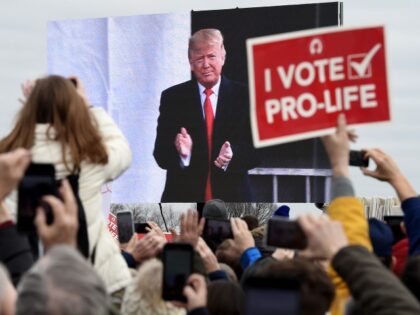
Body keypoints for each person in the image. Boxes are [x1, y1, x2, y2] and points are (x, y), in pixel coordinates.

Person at [0, 75, 132, 294]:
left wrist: (34, 105)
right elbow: (122, 151)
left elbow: (20, 137)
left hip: (23, 280)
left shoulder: (10, 159)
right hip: (91, 279)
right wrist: (88, 106)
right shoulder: (90, 157)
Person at [153, 28, 258, 202]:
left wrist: (232, 156)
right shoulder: (173, 98)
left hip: (234, 200)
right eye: (199, 58)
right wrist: (182, 154)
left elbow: (257, 153)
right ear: (190, 62)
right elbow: (161, 155)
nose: (206, 64)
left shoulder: (245, 95)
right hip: (184, 201)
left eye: (211, 56)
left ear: (223, 56)